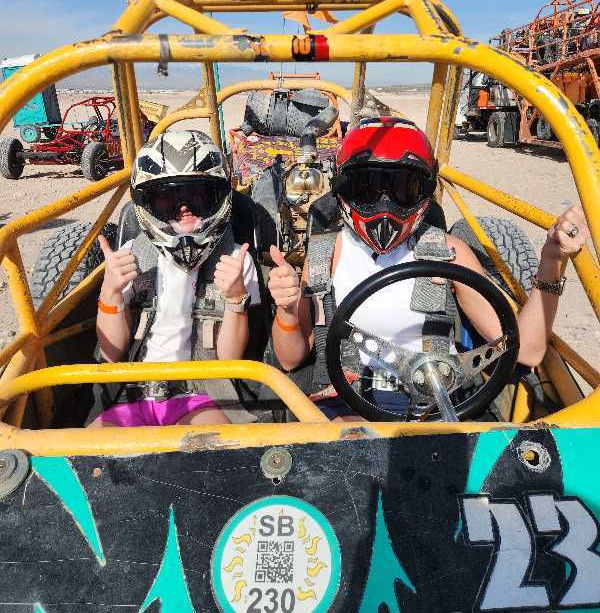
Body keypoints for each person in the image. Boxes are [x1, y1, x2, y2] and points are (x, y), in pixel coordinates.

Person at [267, 117, 589, 420]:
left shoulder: (447, 252)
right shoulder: (325, 255)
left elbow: (528, 351)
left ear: (424, 192)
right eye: (367, 188)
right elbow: (290, 358)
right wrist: (287, 310)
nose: (385, 207)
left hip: (433, 404)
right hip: (345, 401)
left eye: (402, 189)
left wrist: (552, 261)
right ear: (343, 189)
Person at [88, 130, 261, 427]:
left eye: (197, 197)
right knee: (87, 450)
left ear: (218, 197)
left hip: (201, 393)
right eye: (167, 199)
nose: (184, 209)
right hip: (133, 390)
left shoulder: (235, 260)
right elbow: (111, 353)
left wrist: (235, 298)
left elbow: (229, 361)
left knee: (216, 449)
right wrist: (111, 292)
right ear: (148, 204)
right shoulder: (131, 256)